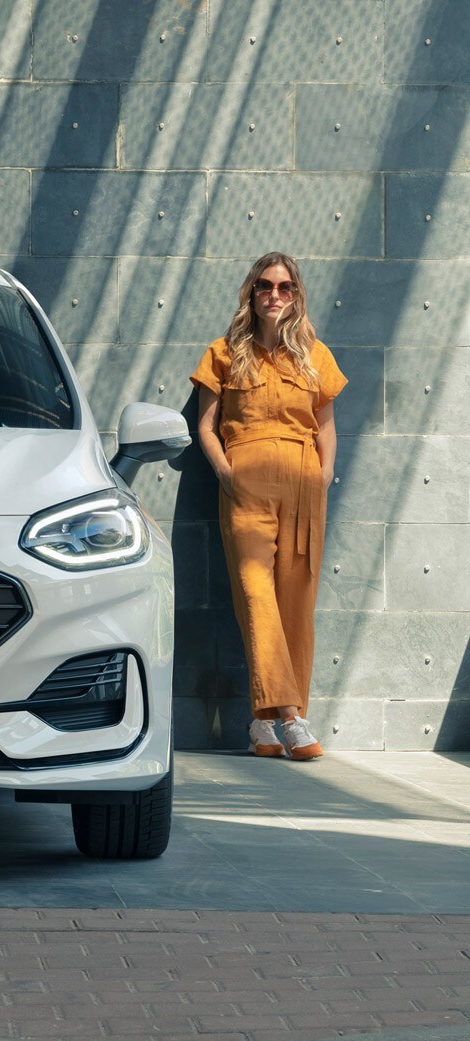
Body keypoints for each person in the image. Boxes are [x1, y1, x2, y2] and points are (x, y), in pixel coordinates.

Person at [190, 252, 347, 761]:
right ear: (250, 294)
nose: (273, 295)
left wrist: (321, 479)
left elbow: (325, 427)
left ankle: (263, 727)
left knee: (296, 603)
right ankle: (293, 717)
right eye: (264, 286)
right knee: (256, 597)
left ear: (296, 295)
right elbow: (205, 427)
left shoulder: (314, 355)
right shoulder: (224, 352)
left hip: (304, 486)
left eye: (283, 287)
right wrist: (226, 472)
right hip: (246, 487)